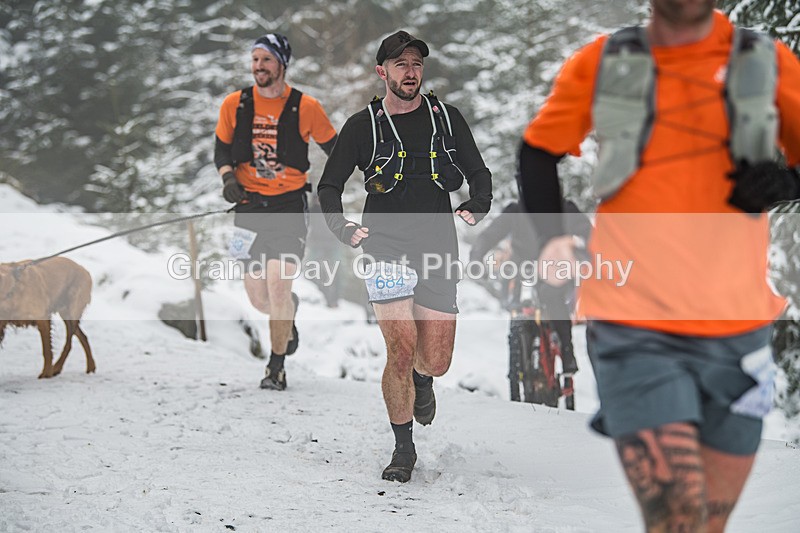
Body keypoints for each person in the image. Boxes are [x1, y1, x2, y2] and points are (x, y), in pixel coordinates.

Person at [517, 2, 800, 531]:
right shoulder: (604, 62)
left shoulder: (765, 62)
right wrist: (552, 238)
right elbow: (538, 151)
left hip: (738, 333)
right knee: (677, 519)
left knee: (707, 523)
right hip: (633, 325)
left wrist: (785, 183)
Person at [318, 30, 492, 482]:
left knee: (434, 359)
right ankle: (403, 449)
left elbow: (478, 172)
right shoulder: (363, 126)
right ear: (383, 72)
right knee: (399, 348)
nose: (410, 71)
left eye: (415, 63)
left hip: (437, 246)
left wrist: (479, 201)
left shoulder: (447, 119)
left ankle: (424, 380)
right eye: (400, 64)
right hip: (385, 247)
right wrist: (343, 227)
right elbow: (329, 186)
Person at [214, 33, 338, 391]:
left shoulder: (306, 107)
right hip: (248, 208)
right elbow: (221, 151)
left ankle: (276, 368)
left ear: (282, 64)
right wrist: (227, 180)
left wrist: (330, 190)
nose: (258, 67)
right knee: (257, 296)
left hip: (288, 207)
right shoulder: (235, 105)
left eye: (266, 60)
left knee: (278, 287)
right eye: (254, 60)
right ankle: (288, 316)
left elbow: (337, 151)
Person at [470, 199, 592, 379]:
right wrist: (476, 257)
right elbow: (489, 235)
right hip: (523, 271)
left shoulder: (563, 207)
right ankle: (519, 353)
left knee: (553, 299)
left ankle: (567, 353)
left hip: (555, 271)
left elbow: (588, 233)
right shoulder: (515, 210)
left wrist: (587, 255)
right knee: (516, 306)